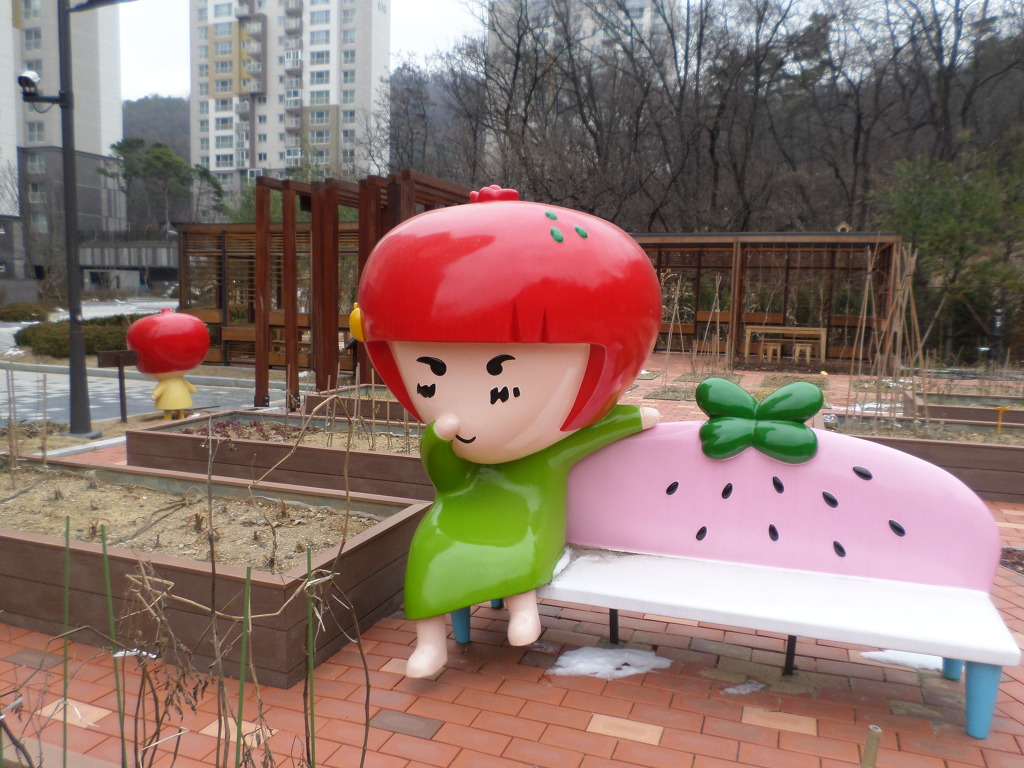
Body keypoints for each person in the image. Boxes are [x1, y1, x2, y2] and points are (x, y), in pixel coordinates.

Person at [351, 185, 662, 677]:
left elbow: (590, 435)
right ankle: (430, 643)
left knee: (521, 544)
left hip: (525, 513)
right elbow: (443, 473)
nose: (470, 404)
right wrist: (439, 439)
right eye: (429, 379)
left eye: (502, 385)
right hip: (459, 507)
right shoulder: (462, 462)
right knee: (430, 547)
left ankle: (522, 607)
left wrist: (635, 419)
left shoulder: (544, 458)